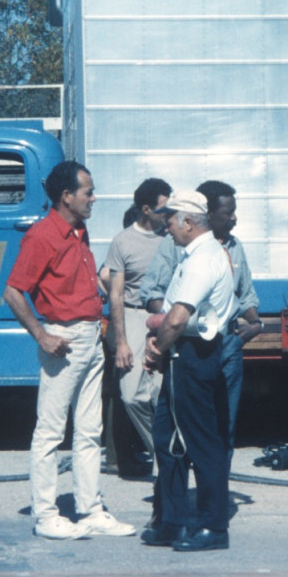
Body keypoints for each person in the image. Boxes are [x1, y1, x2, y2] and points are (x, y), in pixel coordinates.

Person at [3, 160, 136, 541]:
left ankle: (90, 509)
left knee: (90, 430)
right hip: (63, 342)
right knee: (49, 431)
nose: (93, 198)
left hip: (92, 337)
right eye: (88, 192)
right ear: (66, 196)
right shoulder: (42, 236)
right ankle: (45, 516)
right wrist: (42, 336)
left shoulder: (79, 231)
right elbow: (13, 291)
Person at [139, 190, 238, 552]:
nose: (167, 226)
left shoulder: (201, 259)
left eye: (171, 219)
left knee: (202, 442)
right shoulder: (200, 254)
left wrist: (156, 348)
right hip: (189, 354)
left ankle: (213, 526)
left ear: (188, 222)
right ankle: (173, 519)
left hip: (194, 355)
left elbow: (179, 317)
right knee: (167, 438)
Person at [140, 180, 262, 463]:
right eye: (228, 212)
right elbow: (151, 292)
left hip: (228, 345)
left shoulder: (235, 247)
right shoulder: (176, 246)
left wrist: (256, 325)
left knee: (224, 423)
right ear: (207, 213)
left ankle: (216, 485)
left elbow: (246, 296)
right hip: (191, 346)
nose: (234, 218)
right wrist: (174, 319)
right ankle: (186, 487)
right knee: (185, 423)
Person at [103, 178, 172, 476]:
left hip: (166, 318)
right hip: (132, 317)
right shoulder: (123, 241)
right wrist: (121, 342)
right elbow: (115, 294)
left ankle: (165, 466)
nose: (169, 215)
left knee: (159, 394)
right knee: (131, 395)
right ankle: (164, 452)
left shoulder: (172, 239)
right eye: (163, 209)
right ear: (145, 209)